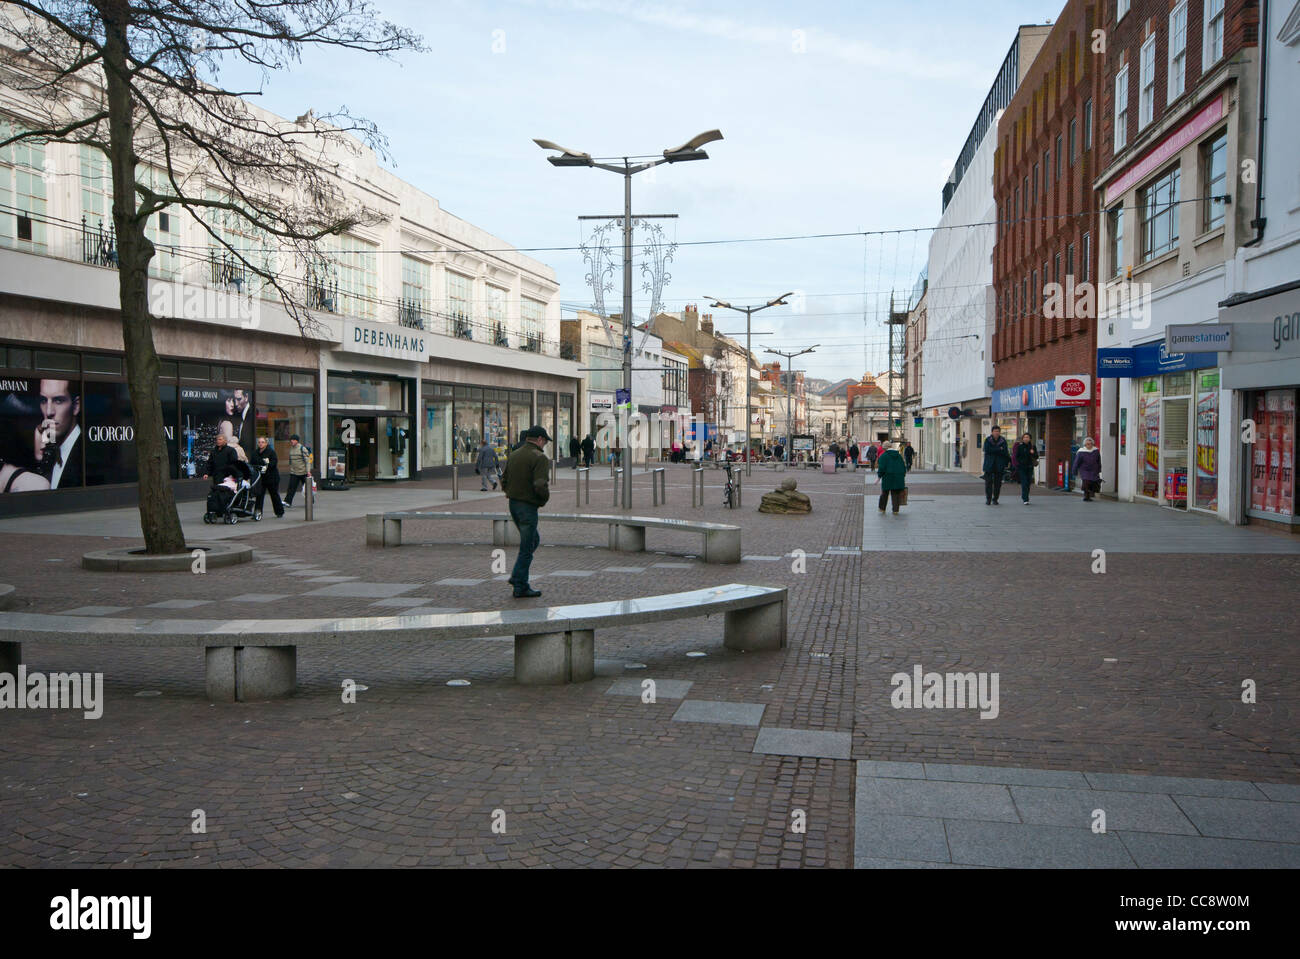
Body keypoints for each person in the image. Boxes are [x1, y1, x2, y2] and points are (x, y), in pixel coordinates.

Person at [501, 425, 550, 598]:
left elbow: (504, 479)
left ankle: (517, 577)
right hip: (527, 506)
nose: (544, 445)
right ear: (539, 440)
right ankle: (520, 583)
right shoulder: (540, 458)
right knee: (527, 546)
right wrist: (543, 500)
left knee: (532, 540)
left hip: (513, 504)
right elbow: (540, 484)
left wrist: (509, 492)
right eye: (544, 442)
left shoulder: (514, 455)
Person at [32, 379, 82, 489]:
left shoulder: (85, 452)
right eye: (44, 401)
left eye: (58, 401)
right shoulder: (48, 450)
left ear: (76, 406)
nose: (49, 412)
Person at [250, 436, 285, 518]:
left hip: (271, 477)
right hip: (260, 477)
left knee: (274, 494)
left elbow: (274, 462)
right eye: (259, 442)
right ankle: (257, 513)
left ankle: (279, 512)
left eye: (262, 442)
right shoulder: (255, 453)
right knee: (259, 495)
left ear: (266, 443)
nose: (260, 444)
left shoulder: (271, 452)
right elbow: (252, 463)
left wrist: (267, 466)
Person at [876, 440, 908, 514]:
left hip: (888, 477)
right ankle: (895, 510)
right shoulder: (899, 456)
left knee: (884, 493)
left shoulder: (883, 456)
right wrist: (902, 475)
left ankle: (882, 508)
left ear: (885, 448)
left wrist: (879, 476)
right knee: (896, 494)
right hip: (898, 477)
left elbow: (882, 468)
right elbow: (903, 467)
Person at [981, 427, 1010, 504]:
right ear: (992, 432)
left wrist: (1006, 463)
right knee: (988, 483)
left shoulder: (1003, 440)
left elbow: (1005, 452)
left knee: (998, 483)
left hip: (999, 465)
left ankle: (995, 499)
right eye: (995, 431)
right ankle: (988, 499)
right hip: (989, 465)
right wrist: (998, 449)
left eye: (998, 431)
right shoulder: (988, 440)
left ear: (999, 432)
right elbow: (987, 450)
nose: (996, 432)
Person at [283, 434, 312, 506]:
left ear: (297, 441)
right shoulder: (291, 449)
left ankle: (311, 500)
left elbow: (307, 461)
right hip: (294, 472)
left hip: (303, 472)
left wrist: (308, 471)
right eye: (291, 440)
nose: (291, 441)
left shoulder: (302, 448)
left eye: (293, 440)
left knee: (306, 488)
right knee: (291, 488)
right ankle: (288, 501)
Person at [1011, 432, 1039, 505]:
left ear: (1030, 439)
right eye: (1024, 437)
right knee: (1024, 482)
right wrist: (1019, 464)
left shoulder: (1033, 447)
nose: (1026, 438)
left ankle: (1026, 496)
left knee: (1028, 482)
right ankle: (1025, 499)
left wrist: (1033, 453)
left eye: (1027, 437)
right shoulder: (1020, 447)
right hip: (1022, 467)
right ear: (1022, 439)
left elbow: (1036, 456)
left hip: (1029, 467)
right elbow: (1017, 456)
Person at [1073, 436, 1103, 502]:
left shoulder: (1096, 451)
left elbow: (1098, 460)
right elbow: (1076, 462)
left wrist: (1099, 469)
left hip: (1093, 470)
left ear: (1092, 444)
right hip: (1084, 470)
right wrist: (1074, 470)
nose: (1089, 445)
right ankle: (1086, 496)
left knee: (1092, 482)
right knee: (1086, 482)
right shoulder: (1081, 452)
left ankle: (1089, 495)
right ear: (1085, 445)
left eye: (1090, 444)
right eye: (1087, 444)